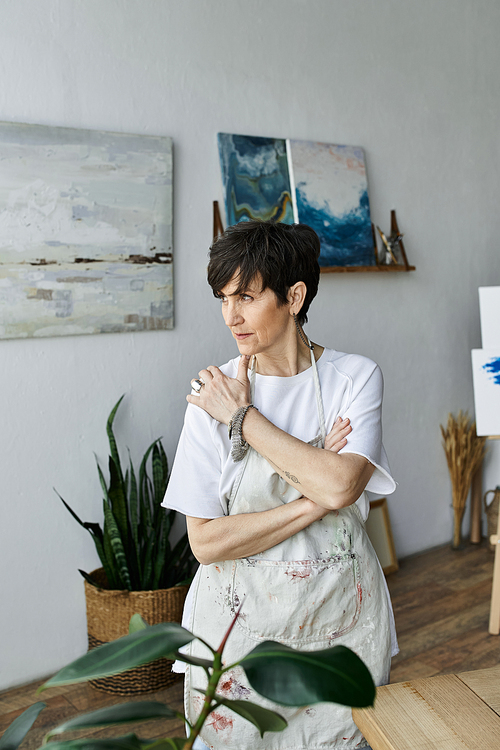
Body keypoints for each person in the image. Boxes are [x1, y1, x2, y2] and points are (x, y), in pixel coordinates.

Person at [162, 220, 397, 750]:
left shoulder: (354, 378)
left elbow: (344, 487)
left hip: (341, 628)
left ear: (294, 296)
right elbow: (207, 542)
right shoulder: (211, 393)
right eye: (223, 299)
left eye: (246, 296)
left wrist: (243, 418)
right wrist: (316, 497)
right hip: (237, 639)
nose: (231, 316)